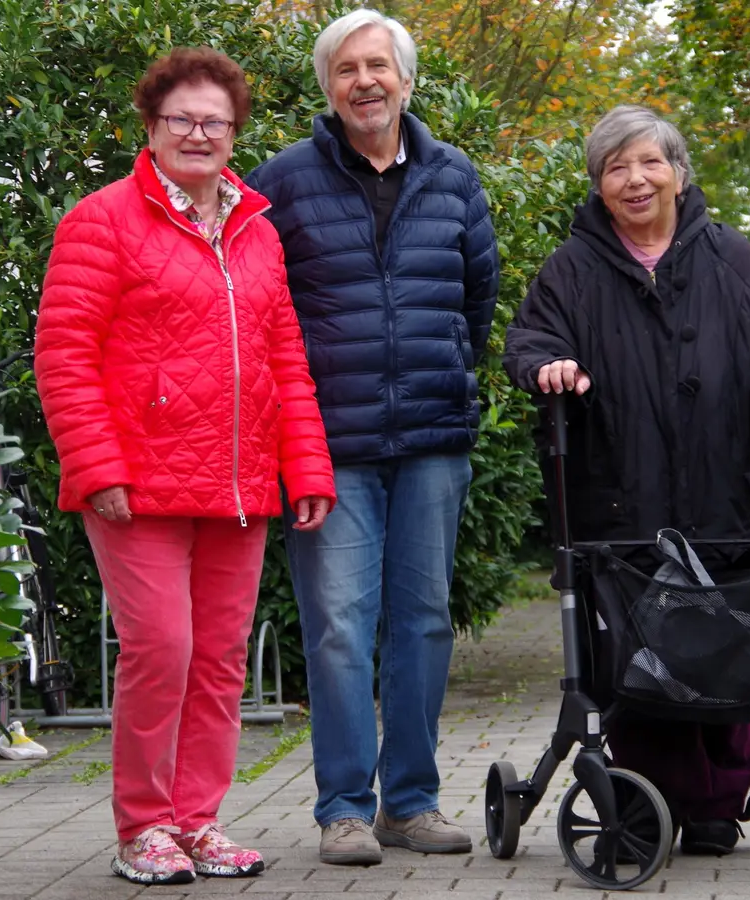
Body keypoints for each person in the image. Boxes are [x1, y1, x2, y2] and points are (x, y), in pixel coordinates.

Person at [33, 47, 336, 886]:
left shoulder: (257, 230)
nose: (198, 133)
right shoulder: (100, 220)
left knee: (220, 659)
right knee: (160, 648)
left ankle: (198, 821)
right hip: (137, 484)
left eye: (215, 121)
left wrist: (305, 468)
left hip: (238, 483)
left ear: (236, 132)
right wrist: (97, 468)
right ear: (152, 126)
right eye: (182, 119)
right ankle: (144, 828)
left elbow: (284, 356)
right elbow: (63, 354)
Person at [502, 105, 750, 857]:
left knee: (724, 646)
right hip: (622, 496)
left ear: (679, 173)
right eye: (616, 167)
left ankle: (716, 802)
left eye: (649, 162)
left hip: (729, 499)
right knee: (641, 652)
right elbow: (531, 341)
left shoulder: (733, 259)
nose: (635, 179)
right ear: (598, 185)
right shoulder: (571, 270)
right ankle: (649, 802)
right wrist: (547, 366)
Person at [245, 8, 500, 867]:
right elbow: (256, 308)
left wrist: (453, 374)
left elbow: (478, 298)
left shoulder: (455, 177)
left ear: (405, 79)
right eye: (347, 68)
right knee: (341, 629)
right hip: (330, 447)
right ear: (328, 86)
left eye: (377, 66)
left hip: (432, 436)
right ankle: (345, 809)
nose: (364, 81)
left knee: (424, 622)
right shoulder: (280, 181)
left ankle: (413, 805)